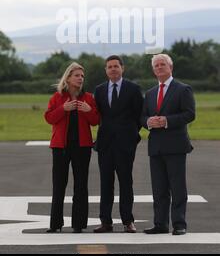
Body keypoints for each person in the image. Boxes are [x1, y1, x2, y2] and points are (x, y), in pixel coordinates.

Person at [141, 53, 195, 235]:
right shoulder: (149, 93)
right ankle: (160, 224)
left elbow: (189, 114)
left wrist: (166, 121)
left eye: (162, 64)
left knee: (178, 187)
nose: (158, 68)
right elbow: (142, 117)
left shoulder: (183, 89)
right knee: (159, 188)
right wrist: (148, 122)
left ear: (170, 67)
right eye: (155, 65)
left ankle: (179, 224)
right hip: (155, 147)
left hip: (176, 146)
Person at [44, 62, 100, 233]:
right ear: (68, 78)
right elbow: (49, 118)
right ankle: (55, 224)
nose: (80, 78)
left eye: (82, 76)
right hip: (61, 147)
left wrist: (89, 110)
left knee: (81, 186)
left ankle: (79, 224)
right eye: (77, 75)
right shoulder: (57, 97)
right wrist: (63, 108)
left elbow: (95, 121)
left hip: (82, 147)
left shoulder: (89, 98)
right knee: (59, 185)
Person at [93, 55, 143, 233]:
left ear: (123, 68)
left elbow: (139, 116)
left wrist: (130, 135)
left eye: (116, 66)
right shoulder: (99, 90)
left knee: (126, 182)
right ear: (106, 70)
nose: (113, 69)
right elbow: (98, 115)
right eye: (109, 67)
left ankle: (127, 221)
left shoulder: (133, 88)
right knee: (106, 183)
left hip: (125, 145)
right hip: (105, 144)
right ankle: (105, 221)